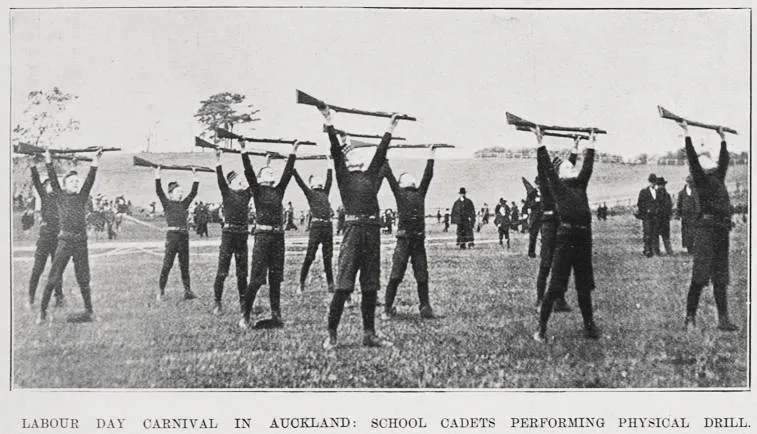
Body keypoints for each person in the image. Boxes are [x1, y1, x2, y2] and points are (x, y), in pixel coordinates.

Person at [320, 105, 399, 350]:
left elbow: (380, 153)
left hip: (372, 232)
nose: (358, 155)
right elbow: (335, 150)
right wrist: (329, 120)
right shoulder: (343, 176)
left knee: (370, 286)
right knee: (344, 286)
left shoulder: (369, 174)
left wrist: (390, 128)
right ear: (346, 158)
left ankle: (369, 334)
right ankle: (332, 334)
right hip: (353, 232)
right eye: (352, 152)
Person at [532, 127, 600, 342]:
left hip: (583, 239)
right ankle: (541, 329)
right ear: (560, 174)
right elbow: (546, 168)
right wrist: (540, 141)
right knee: (555, 286)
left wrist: (591, 142)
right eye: (567, 166)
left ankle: (589, 327)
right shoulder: (557, 186)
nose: (571, 166)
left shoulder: (580, 184)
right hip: (566, 239)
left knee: (583, 287)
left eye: (572, 165)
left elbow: (587, 166)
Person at [679, 122, 736, 332]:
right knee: (700, 276)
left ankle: (723, 320)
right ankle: (690, 318)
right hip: (706, 230)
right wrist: (686, 133)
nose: (714, 167)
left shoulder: (718, 177)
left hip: (721, 230)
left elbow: (725, 161)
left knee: (721, 276)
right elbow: (692, 159)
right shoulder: (701, 180)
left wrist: (722, 138)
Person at [37, 148, 103, 324]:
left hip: (81, 242)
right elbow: (52, 177)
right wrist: (48, 159)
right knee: (54, 277)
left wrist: (95, 161)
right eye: (72, 181)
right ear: (65, 184)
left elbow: (90, 179)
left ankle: (89, 312)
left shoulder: (82, 197)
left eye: (77, 181)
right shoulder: (59, 195)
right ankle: (42, 312)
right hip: (65, 242)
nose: (76, 183)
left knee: (83, 278)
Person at [238, 142, 299, 329]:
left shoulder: (278, 191)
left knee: (275, 278)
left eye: (272, 172)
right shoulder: (257, 191)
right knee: (256, 279)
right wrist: (243, 150)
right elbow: (248, 171)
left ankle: (276, 315)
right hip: (262, 237)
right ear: (260, 177)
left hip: (278, 238)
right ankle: (245, 315)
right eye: (266, 172)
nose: (271, 173)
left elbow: (288, 173)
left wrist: (293, 151)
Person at [380, 146, 437, 320]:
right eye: (406, 177)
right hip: (404, 240)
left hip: (418, 240)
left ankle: (425, 307)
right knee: (396, 274)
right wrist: (385, 154)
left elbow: (428, 175)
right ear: (402, 183)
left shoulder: (420, 192)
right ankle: (387, 309)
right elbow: (388, 175)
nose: (411, 178)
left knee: (422, 275)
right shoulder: (400, 193)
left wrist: (431, 153)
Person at [534, 137, 581, 314]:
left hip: (562, 225)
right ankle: (540, 300)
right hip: (548, 225)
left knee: (561, 264)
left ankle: (559, 300)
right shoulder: (547, 183)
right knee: (546, 264)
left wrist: (575, 147)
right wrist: (540, 142)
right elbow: (542, 164)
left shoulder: (565, 186)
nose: (568, 169)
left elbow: (570, 165)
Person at [212, 148, 252, 315]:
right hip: (228, 236)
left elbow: (254, 179)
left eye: (242, 180)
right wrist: (218, 160)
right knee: (222, 272)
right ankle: (217, 302)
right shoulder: (227, 193)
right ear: (231, 184)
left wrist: (267, 163)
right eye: (238, 181)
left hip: (242, 235)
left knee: (242, 273)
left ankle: (243, 303)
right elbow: (220, 179)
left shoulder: (246, 195)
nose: (242, 182)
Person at [155, 166, 199, 301]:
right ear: (171, 193)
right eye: (178, 192)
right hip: (172, 238)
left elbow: (193, 193)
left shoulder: (184, 204)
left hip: (183, 237)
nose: (181, 194)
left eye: (181, 192)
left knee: (184, 265)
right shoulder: (167, 203)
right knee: (167, 264)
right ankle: (161, 291)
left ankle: (187, 291)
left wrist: (195, 175)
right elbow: (159, 191)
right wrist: (157, 173)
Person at [292, 162, 335, 293]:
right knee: (310, 256)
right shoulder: (310, 193)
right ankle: (301, 284)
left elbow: (329, 179)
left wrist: (329, 163)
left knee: (328, 257)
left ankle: (331, 285)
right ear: (311, 184)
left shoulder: (325, 192)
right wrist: (292, 169)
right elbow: (300, 182)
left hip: (327, 226)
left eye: (319, 178)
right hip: (316, 227)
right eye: (315, 179)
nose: (319, 180)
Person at [28, 163, 64, 308]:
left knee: (57, 269)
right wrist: (32, 165)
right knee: (38, 268)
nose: (48, 186)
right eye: (46, 185)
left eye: (50, 184)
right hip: (44, 237)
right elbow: (36, 181)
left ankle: (59, 297)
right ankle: (31, 297)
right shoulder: (44, 197)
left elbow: (56, 181)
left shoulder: (61, 198)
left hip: (57, 237)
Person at [637, 173, 660, 257]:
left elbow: (661, 203)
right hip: (647, 216)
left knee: (655, 233)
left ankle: (655, 250)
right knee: (647, 233)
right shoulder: (643, 192)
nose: (653, 184)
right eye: (652, 182)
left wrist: (658, 210)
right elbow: (640, 203)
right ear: (649, 182)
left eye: (655, 182)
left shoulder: (658, 192)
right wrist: (646, 210)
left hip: (656, 216)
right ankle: (647, 250)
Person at [677, 175, 699, 254]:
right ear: (686, 182)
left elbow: (698, 204)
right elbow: (679, 205)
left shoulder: (696, 192)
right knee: (686, 233)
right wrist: (679, 215)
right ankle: (689, 249)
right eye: (689, 182)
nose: (690, 184)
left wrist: (698, 213)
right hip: (685, 217)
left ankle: (694, 248)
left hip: (694, 216)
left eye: (691, 182)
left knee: (694, 232)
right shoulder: (681, 193)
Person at [524, 178, 543, 258]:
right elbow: (527, 205)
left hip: (544, 216)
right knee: (533, 236)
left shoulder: (546, 192)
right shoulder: (531, 194)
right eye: (538, 184)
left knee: (545, 235)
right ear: (535, 184)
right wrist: (536, 202)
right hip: (535, 216)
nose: (539, 186)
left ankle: (543, 252)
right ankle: (531, 253)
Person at [656, 177, 674, 255]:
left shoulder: (667, 195)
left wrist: (669, 214)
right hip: (658, 218)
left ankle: (668, 251)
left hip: (663, 218)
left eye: (662, 185)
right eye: (660, 185)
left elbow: (669, 206)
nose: (661, 186)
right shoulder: (655, 195)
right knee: (657, 236)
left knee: (665, 236)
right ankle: (658, 251)